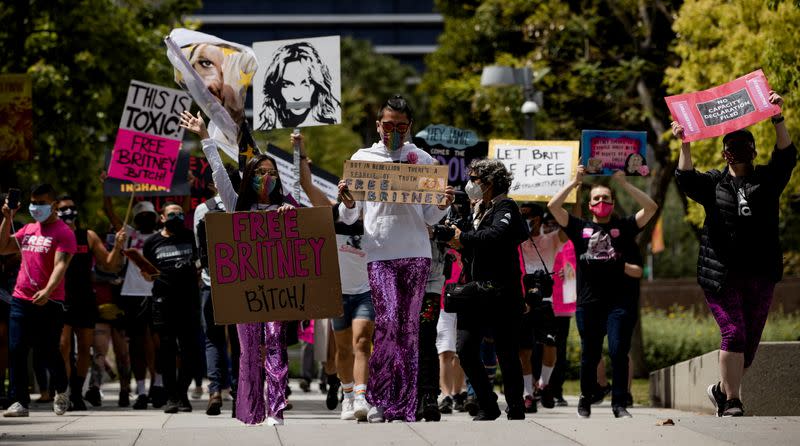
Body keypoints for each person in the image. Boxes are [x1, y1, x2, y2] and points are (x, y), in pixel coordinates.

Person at [671, 91, 794, 417]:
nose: (738, 152)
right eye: (732, 147)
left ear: (753, 151)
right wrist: (685, 144)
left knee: (748, 345)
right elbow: (685, 178)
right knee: (734, 333)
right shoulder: (713, 184)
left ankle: (719, 390)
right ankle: (734, 401)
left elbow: (786, 156)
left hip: (761, 272)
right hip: (721, 274)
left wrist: (777, 116)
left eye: (744, 146)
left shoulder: (767, 180)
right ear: (725, 153)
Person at [337, 95, 454, 422]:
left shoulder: (423, 159)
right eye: (388, 125)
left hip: (417, 255)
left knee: (409, 331)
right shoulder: (363, 159)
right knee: (386, 328)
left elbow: (430, 216)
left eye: (401, 126)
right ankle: (378, 397)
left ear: (410, 126)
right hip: (379, 255)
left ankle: (403, 403)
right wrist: (346, 201)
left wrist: (443, 203)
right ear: (378, 125)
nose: (394, 132)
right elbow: (349, 218)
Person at [180, 109, 296, 426]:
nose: (266, 179)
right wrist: (205, 137)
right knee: (248, 351)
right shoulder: (236, 207)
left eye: (272, 173)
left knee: (274, 344)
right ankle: (251, 408)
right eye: (261, 173)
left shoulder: (286, 208)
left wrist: (291, 208)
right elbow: (218, 172)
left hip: (276, 289)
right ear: (250, 178)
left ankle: (276, 408)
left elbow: (304, 226)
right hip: (245, 289)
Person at [548, 166, 657, 419]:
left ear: (613, 202)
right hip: (589, 304)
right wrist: (574, 182)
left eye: (606, 198)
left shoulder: (625, 228)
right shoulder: (579, 228)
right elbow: (554, 207)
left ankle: (619, 404)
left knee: (618, 351)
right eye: (596, 198)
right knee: (591, 354)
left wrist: (625, 184)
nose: (601, 202)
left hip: (619, 304)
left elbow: (651, 208)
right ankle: (586, 399)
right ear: (589, 204)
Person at [448, 159, 528, 421]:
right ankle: (487, 402)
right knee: (465, 348)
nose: (469, 183)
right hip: (473, 291)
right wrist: (451, 229)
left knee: (506, 352)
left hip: (502, 293)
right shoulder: (474, 209)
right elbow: (463, 240)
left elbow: (496, 236)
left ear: (490, 182)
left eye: (475, 178)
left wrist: (463, 238)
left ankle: (515, 406)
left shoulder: (506, 206)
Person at [1, 184, 76, 417]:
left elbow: (61, 264)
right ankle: (19, 401)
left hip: (50, 301)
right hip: (21, 299)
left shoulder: (64, 232)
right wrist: (7, 219)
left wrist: (47, 290)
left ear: (53, 205)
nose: (36, 208)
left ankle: (61, 390)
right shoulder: (28, 230)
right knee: (16, 349)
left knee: (48, 351)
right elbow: (2, 247)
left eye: (41, 203)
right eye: (33, 203)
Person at [55, 194, 126, 411]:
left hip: (85, 298)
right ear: (56, 212)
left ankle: (77, 393)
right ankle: (64, 392)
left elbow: (109, 264)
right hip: (60, 298)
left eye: (71, 207)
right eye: (63, 209)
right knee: (63, 346)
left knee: (85, 347)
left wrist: (118, 246)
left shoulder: (88, 236)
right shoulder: (54, 235)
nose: (68, 212)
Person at [103, 197, 165, 410]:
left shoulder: (161, 237)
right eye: (141, 216)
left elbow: (182, 209)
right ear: (136, 219)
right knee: (137, 345)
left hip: (156, 293)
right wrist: (107, 188)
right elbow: (108, 209)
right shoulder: (129, 235)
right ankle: (140, 391)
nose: (145, 218)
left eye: (149, 215)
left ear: (156, 218)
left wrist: (184, 187)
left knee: (157, 344)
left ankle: (157, 385)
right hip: (132, 294)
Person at [141, 202, 201, 414]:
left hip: (189, 301)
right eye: (172, 213)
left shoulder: (191, 237)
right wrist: (147, 274)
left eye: (180, 213)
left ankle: (183, 392)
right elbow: (146, 273)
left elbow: (201, 263)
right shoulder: (151, 243)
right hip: (163, 302)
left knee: (190, 351)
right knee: (166, 350)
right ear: (162, 217)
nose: (176, 216)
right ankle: (171, 397)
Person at [193, 166, 242, 416]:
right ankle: (237, 392)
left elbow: (198, 251)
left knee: (213, 339)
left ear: (214, 185)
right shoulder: (243, 208)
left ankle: (214, 391)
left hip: (210, 284)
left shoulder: (202, 210)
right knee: (239, 341)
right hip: (240, 285)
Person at [518, 204, 567, 412]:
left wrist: (575, 190)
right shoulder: (515, 241)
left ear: (539, 218)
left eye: (528, 216)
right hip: (523, 303)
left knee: (550, 345)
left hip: (546, 302)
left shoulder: (552, 239)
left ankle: (544, 385)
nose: (525, 219)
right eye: (522, 216)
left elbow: (569, 226)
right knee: (524, 352)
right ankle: (527, 394)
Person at [256, 42, 340, 130]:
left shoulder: (333, 119)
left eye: (305, 83)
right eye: (287, 84)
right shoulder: (268, 123)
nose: (297, 96)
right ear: (276, 87)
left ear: (317, 84)